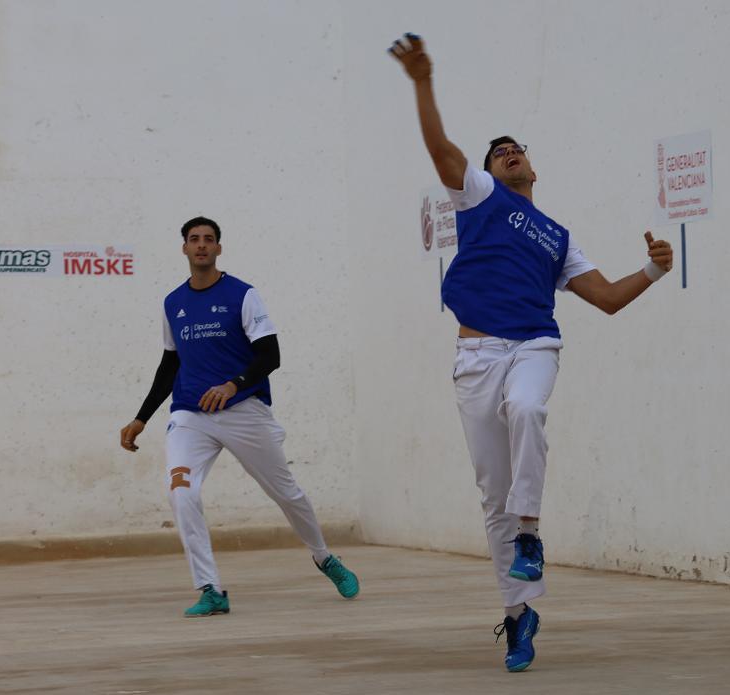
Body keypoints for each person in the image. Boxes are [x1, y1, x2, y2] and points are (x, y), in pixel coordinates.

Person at [389, 34, 674, 672]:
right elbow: (440, 149)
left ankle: (531, 535)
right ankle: (519, 616)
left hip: (534, 344)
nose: (509, 153)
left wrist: (652, 272)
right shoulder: (481, 199)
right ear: (487, 175)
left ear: (532, 167)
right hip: (475, 357)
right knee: (492, 496)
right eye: (499, 153)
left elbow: (603, 297)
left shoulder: (558, 235)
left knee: (527, 411)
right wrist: (422, 82)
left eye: (518, 149)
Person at [119, 216, 359, 617]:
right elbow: (169, 365)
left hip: (244, 411)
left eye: (208, 240)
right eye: (193, 240)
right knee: (182, 492)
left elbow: (271, 356)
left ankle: (323, 557)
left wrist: (233, 384)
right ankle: (210, 588)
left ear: (218, 248)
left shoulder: (243, 295)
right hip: (190, 416)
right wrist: (142, 417)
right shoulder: (173, 303)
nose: (201, 246)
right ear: (184, 248)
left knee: (287, 493)